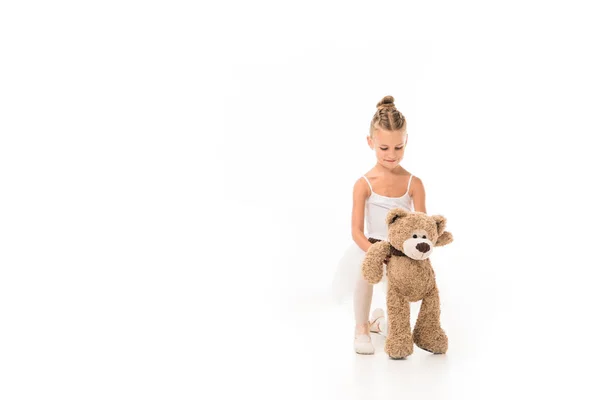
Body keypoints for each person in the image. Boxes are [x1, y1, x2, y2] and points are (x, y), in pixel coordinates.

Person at [331, 95, 428, 355]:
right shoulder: (364, 183)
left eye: (398, 147)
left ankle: (384, 322)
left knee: (402, 288)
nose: (391, 155)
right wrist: (376, 253)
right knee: (365, 274)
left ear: (406, 141)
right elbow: (356, 231)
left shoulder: (413, 183)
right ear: (371, 142)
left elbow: (423, 225)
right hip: (370, 246)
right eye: (384, 148)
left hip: (403, 250)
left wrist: (414, 251)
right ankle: (362, 327)